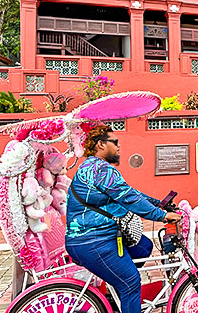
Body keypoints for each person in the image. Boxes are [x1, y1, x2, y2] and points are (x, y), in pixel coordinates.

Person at [65, 125, 180, 313]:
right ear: (101, 144)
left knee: (143, 246)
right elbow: (129, 199)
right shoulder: (101, 170)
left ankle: (117, 290)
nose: (119, 147)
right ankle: (124, 291)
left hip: (92, 240)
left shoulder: (92, 167)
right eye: (115, 142)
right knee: (131, 282)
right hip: (93, 241)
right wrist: (162, 216)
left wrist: (158, 203)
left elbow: (129, 192)